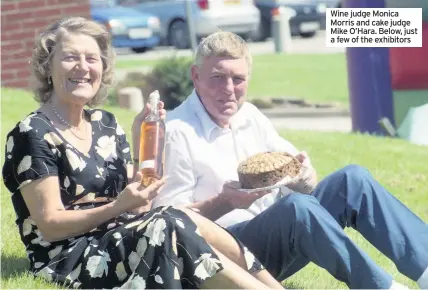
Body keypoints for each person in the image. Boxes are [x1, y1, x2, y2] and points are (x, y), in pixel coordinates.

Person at [1, 17, 285, 289]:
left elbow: (138, 208)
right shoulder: (33, 133)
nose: (83, 67)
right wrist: (116, 207)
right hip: (69, 256)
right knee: (168, 224)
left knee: (173, 215)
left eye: (91, 58)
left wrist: (142, 141)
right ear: (47, 66)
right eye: (70, 57)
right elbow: (50, 226)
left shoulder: (105, 124)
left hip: (119, 238)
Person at [153, 31, 428, 289]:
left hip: (278, 238)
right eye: (217, 78)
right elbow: (168, 224)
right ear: (195, 76)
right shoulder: (177, 132)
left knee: (352, 179)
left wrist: (303, 176)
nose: (228, 89)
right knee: (297, 208)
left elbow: (303, 182)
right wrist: (224, 202)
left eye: (238, 79)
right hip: (226, 257)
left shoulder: (249, 115)